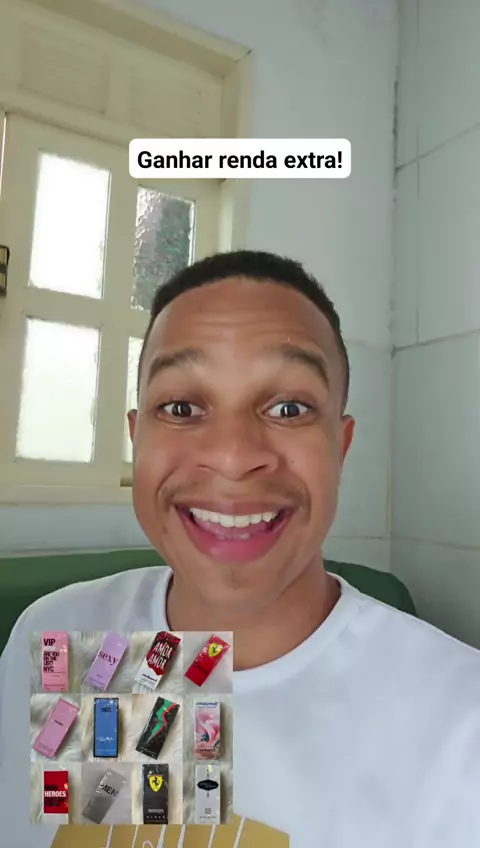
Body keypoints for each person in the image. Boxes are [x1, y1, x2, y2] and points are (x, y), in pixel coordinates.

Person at [1, 249, 480, 848]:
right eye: (181, 408)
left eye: (289, 408)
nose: (232, 456)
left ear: (341, 446)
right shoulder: (61, 641)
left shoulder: (459, 717)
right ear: (136, 438)